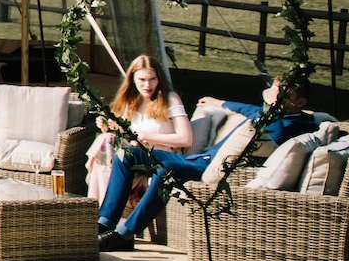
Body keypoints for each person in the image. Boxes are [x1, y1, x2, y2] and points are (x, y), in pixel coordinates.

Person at [97, 76, 319, 251]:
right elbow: (245, 109)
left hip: (210, 168)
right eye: (275, 92)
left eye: (284, 95)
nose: (276, 99)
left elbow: (304, 124)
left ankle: (125, 235)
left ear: (301, 102)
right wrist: (219, 103)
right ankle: (105, 221)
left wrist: (317, 118)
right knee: (128, 153)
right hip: (196, 158)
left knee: (168, 170)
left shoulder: (294, 125)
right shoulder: (266, 113)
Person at [89, 55, 190, 248]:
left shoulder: (169, 98)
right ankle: (104, 222)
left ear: (159, 79)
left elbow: (186, 138)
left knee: (122, 152)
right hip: (136, 155)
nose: (147, 85)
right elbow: (126, 135)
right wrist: (109, 127)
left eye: (152, 79)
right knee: (106, 141)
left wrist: (146, 136)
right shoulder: (130, 100)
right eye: (142, 80)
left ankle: (106, 220)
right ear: (132, 80)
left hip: (163, 154)